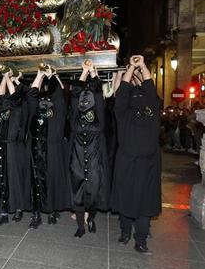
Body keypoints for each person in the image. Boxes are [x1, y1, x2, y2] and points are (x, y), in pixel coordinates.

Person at [111, 55, 161, 255]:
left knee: (145, 203)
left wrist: (142, 66)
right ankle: (125, 233)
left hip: (149, 163)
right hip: (127, 162)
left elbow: (149, 86)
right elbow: (122, 92)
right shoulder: (123, 110)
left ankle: (141, 240)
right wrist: (131, 68)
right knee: (125, 199)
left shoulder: (153, 108)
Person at [68, 60, 109, 237]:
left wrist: (93, 72)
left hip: (95, 151)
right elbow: (75, 93)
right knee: (77, 187)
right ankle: (80, 226)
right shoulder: (76, 114)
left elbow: (98, 92)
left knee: (94, 187)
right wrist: (84, 71)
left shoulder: (98, 112)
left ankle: (91, 217)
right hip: (77, 150)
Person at [27, 65, 70, 228]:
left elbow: (59, 94)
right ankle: (36, 214)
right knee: (35, 183)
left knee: (52, 181)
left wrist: (52, 76)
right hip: (35, 150)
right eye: (42, 100)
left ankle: (51, 211)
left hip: (52, 150)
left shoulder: (58, 109)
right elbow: (32, 95)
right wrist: (39, 74)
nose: (44, 102)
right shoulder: (34, 109)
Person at [0, 70, 31, 226]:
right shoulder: (0, 109)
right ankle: (3, 212)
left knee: (13, 180)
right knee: (0, 180)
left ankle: (18, 208)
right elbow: (0, 95)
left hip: (11, 148)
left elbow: (13, 95)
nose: (4, 101)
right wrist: (3, 78)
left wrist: (8, 77)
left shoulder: (17, 109)